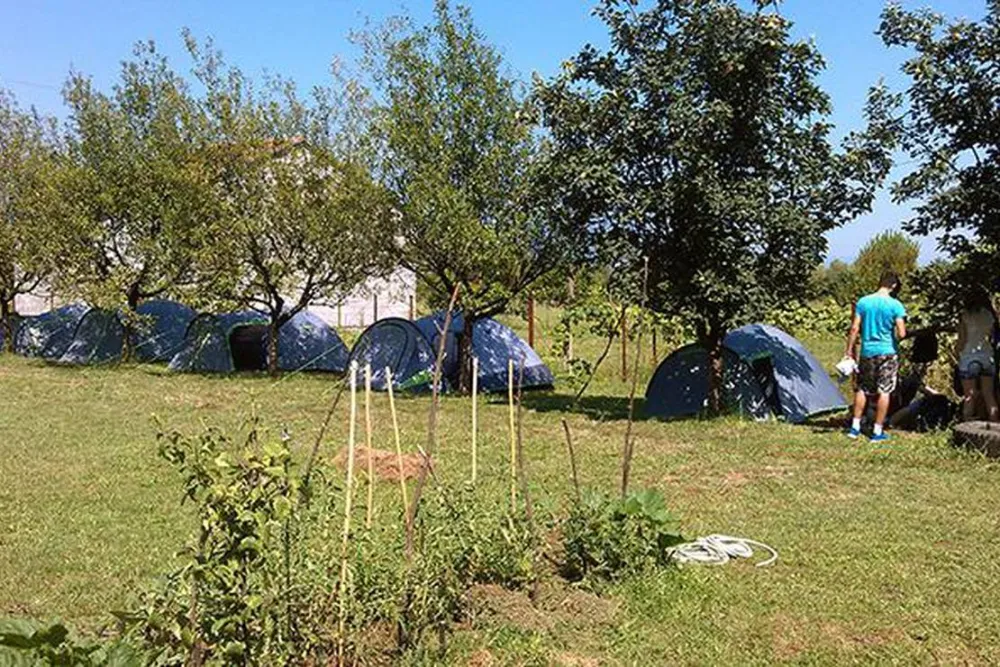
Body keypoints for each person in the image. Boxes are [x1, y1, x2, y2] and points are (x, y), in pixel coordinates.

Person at [844, 271, 907, 441]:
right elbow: (902, 333)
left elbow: (855, 328)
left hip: (867, 351)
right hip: (887, 351)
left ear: (880, 282)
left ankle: (855, 427)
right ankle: (877, 431)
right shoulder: (896, 305)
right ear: (893, 285)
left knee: (863, 388)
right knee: (884, 391)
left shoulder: (863, 302)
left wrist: (849, 350)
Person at [956, 287, 998, 422]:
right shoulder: (990, 315)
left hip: (969, 357)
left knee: (969, 396)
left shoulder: (965, 315)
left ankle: (966, 427)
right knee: (988, 395)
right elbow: (991, 337)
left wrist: (957, 353)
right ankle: (996, 426)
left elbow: (962, 340)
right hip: (987, 357)